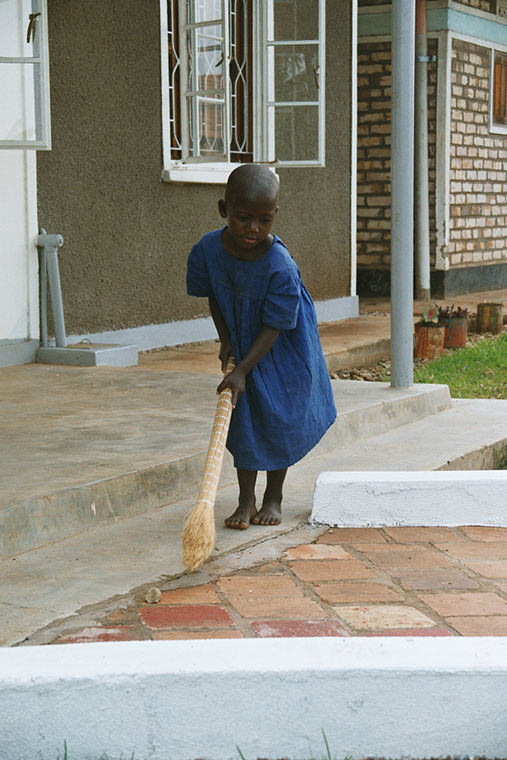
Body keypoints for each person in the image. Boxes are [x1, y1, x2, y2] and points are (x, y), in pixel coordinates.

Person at [186, 164, 336, 530]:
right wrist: (227, 339)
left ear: (275, 216)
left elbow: (275, 325)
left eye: (264, 220)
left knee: (276, 417)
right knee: (244, 421)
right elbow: (215, 297)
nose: (253, 228)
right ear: (224, 210)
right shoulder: (207, 250)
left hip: (282, 349)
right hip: (244, 343)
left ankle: (273, 496)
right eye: (243, 218)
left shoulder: (280, 266)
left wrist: (242, 369)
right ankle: (245, 499)